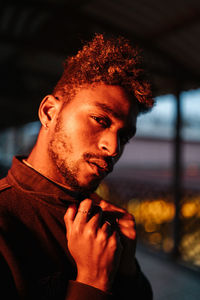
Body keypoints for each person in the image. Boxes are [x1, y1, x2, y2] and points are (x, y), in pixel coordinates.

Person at [0, 34, 154, 300]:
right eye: (100, 119)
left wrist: (128, 272)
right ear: (50, 112)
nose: (114, 147)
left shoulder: (105, 221)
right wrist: (92, 282)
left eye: (125, 135)